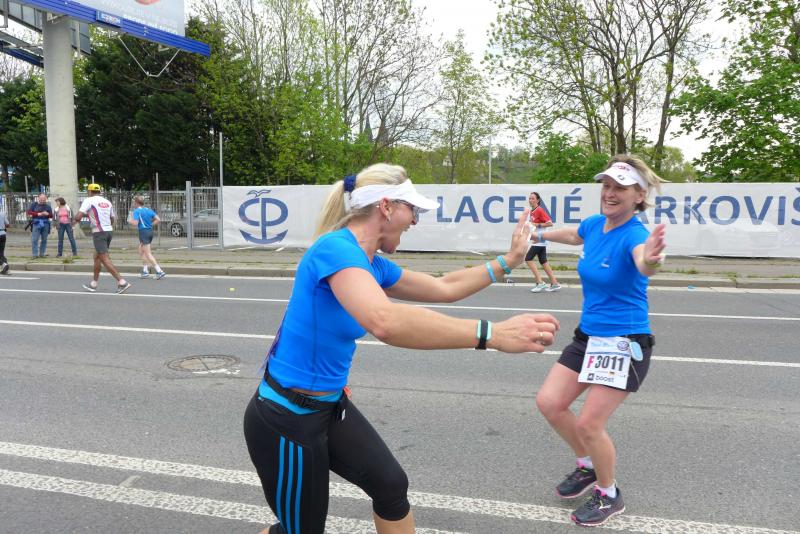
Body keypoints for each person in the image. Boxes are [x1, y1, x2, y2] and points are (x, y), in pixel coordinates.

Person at [243, 163, 561, 534]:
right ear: (386, 206)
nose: (415, 220)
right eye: (412, 210)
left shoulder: (372, 265)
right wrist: (492, 334)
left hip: (328, 408)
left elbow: (444, 287)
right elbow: (386, 321)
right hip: (287, 419)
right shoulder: (335, 250)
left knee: (391, 486)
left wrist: (507, 262)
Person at [532, 155, 666, 527]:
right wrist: (538, 234)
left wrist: (653, 259)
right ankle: (588, 465)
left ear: (639, 195)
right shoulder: (596, 225)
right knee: (549, 403)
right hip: (588, 337)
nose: (609, 193)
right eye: (606, 185)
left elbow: (644, 262)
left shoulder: (635, 236)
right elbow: (574, 235)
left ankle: (609, 494)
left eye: (620, 187)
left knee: (590, 424)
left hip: (624, 342)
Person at [74, 184, 131, 294]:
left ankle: (122, 282)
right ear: (99, 191)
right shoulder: (107, 202)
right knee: (97, 257)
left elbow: (78, 217)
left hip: (99, 232)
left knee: (104, 259)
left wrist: (75, 221)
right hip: (108, 231)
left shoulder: (89, 200)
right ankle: (93, 284)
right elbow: (112, 218)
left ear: (90, 191)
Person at [525, 191, 561, 292]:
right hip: (539, 239)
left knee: (528, 258)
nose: (530, 200)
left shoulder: (540, 210)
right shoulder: (532, 211)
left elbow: (550, 223)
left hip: (541, 239)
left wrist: (537, 225)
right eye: (529, 198)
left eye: (533, 198)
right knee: (543, 261)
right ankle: (554, 283)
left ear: (538, 200)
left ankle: (540, 282)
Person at [128, 196, 166, 279]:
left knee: (148, 253)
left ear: (136, 203)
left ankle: (159, 271)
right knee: (141, 250)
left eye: (134, 202)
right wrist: (150, 225)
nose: (134, 204)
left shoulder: (137, 211)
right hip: (149, 232)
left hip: (143, 232)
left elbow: (135, 223)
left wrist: (130, 221)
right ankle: (145, 271)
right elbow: (158, 219)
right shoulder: (148, 210)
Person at [27, 193, 53, 258]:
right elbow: (29, 212)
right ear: (38, 198)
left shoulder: (48, 206)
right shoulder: (34, 204)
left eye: (44, 200)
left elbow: (51, 215)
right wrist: (38, 214)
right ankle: (35, 254)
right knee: (34, 239)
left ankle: (42, 254)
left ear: (46, 199)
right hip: (36, 223)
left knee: (44, 239)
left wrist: (47, 214)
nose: (43, 201)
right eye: (41, 199)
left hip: (45, 223)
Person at [0, 209, 9, 274]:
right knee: (1, 253)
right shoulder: (3, 214)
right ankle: (5, 269)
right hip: (3, 234)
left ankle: (4, 264)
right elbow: (8, 224)